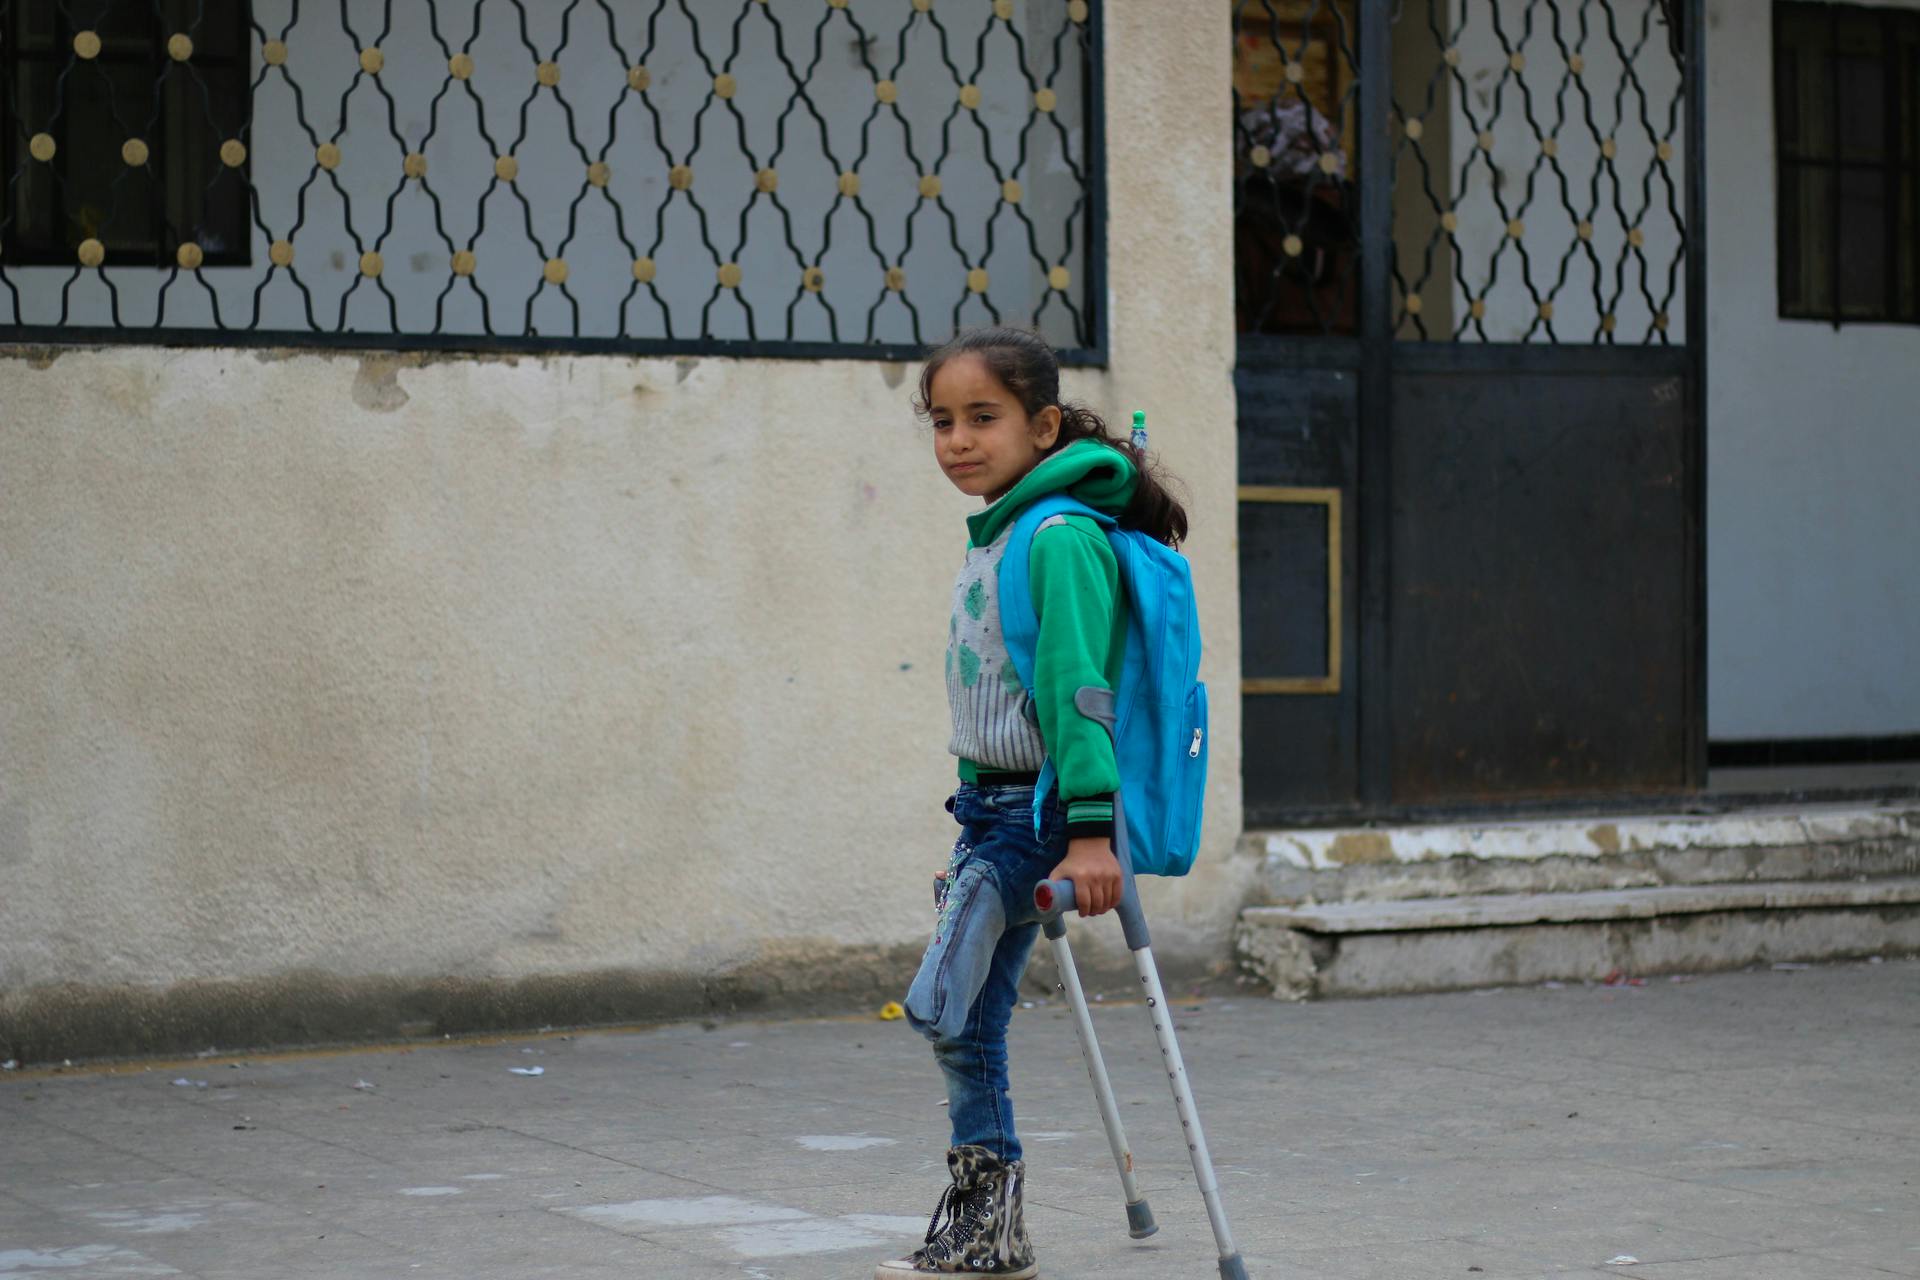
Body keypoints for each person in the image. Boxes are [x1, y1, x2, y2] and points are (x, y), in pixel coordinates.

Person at [877, 327, 1189, 1279]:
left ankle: (985, 1218)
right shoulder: (998, 534)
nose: (959, 440)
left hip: (1045, 814)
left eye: (984, 417)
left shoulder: (1056, 540)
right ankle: (988, 1227)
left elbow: (1078, 693)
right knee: (970, 1023)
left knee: (942, 1006)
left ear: (1044, 425)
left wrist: (1092, 835)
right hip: (986, 809)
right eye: (942, 421)